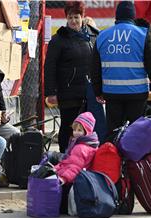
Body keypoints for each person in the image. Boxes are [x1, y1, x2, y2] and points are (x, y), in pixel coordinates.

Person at [91, 1, 151, 137]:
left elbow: (95, 67)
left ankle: (113, 156)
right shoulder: (143, 34)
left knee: (114, 131)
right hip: (137, 93)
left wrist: (97, 91)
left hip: (111, 93)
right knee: (136, 133)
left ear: (117, 16)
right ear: (133, 16)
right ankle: (133, 158)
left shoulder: (102, 36)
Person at [44, 1, 103, 152]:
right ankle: (65, 156)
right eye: (70, 17)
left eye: (76, 17)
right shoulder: (59, 40)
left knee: (89, 127)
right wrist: (51, 93)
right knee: (69, 126)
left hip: (90, 92)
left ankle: (86, 156)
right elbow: (50, 67)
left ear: (82, 17)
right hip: (68, 92)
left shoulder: (93, 36)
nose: (73, 21)